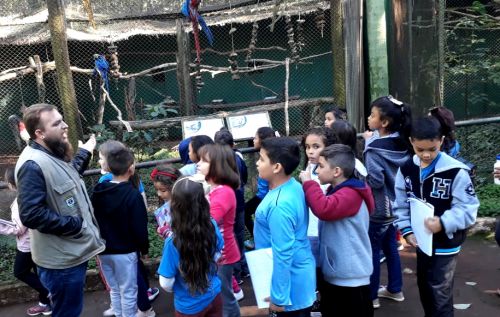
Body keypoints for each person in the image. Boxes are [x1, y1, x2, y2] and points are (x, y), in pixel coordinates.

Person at [15, 103, 105, 317]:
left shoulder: (50, 153)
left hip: (71, 255)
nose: (65, 126)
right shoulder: (32, 165)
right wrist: (76, 225)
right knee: (67, 313)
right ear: (40, 133)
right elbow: (31, 214)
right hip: (61, 263)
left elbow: (66, 178)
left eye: (62, 120)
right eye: (57, 123)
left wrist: (84, 153)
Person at [394, 117, 479, 317]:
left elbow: (468, 209)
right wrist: (407, 230)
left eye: (432, 149)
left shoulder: (456, 171)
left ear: (441, 141)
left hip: (446, 243)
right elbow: (401, 202)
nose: (426, 154)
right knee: (424, 285)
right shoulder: (406, 169)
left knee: (440, 291)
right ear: (411, 141)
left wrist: (443, 222)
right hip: (422, 242)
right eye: (420, 149)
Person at [300, 144, 375, 317]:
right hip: (341, 273)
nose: (317, 171)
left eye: (321, 166)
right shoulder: (339, 190)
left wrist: (309, 184)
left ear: (337, 171)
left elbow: (323, 209)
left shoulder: (350, 194)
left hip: (350, 278)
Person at [254, 137, 316, 316]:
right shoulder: (292, 185)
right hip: (298, 273)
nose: (257, 163)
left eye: (262, 159)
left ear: (276, 167)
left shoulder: (279, 205)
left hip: (290, 286)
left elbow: (283, 252)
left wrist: (279, 298)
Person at [97, 141, 158, 317]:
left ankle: (118, 313)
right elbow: (140, 226)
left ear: (108, 166)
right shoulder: (132, 194)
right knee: (129, 291)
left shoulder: (99, 189)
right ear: (130, 168)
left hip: (104, 249)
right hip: (125, 251)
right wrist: (144, 249)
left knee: (115, 289)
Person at [363, 95, 412, 309]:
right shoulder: (405, 140)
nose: (368, 117)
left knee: (373, 250)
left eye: (373, 115)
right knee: (391, 247)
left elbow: (375, 180)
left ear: (384, 123)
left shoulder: (374, 149)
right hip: (399, 207)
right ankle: (395, 289)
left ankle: (371, 295)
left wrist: (367, 143)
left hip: (380, 208)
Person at [158, 176, 224, 317]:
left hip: (189, 306)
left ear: (175, 206)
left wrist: (179, 288)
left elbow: (165, 283)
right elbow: (218, 253)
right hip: (214, 295)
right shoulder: (212, 224)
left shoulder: (173, 242)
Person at [197, 144, 241, 317]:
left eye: (204, 160)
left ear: (217, 165)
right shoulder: (216, 190)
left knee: (225, 297)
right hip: (217, 252)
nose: (198, 164)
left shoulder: (223, 192)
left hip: (223, 254)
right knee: (220, 294)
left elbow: (209, 221)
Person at [0, 167, 51, 316]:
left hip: (28, 245)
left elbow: (18, 229)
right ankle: (46, 304)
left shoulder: (20, 202)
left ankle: (48, 292)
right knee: (39, 273)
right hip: (39, 241)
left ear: (11, 183)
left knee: (20, 272)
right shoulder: (34, 194)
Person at [214, 128, 250, 286]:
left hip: (225, 206)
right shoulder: (238, 157)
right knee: (239, 235)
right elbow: (245, 177)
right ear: (233, 144)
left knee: (229, 236)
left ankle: (236, 274)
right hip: (239, 202)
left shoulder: (215, 161)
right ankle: (243, 268)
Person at [301, 127, 337, 264]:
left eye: (316, 147)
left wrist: (308, 182)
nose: (310, 151)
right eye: (307, 147)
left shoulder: (330, 172)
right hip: (310, 229)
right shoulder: (311, 166)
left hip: (322, 231)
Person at [244, 126, 277, 249]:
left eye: (256, 137)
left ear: (262, 140)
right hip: (263, 194)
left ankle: (256, 238)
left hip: (265, 196)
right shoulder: (266, 153)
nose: (253, 139)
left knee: (245, 212)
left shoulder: (270, 155)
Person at [150, 164, 182, 239]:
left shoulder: (184, 206)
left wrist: (167, 232)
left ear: (174, 187)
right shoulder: (165, 201)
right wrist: (159, 228)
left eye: (163, 190)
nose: (158, 194)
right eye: (157, 189)